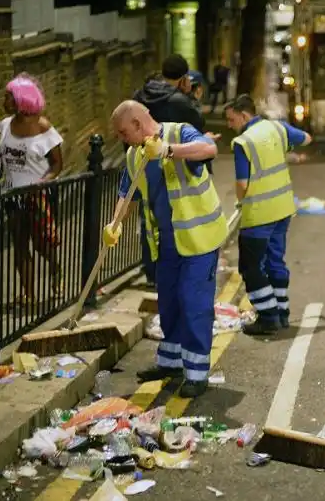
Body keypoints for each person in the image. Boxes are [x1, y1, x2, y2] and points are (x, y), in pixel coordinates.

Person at [105, 100, 227, 398]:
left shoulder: (179, 133)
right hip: (167, 243)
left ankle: (197, 373)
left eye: (123, 133)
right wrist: (114, 223)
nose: (122, 139)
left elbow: (209, 150)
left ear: (137, 123)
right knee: (170, 301)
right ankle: (170, 361)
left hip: (199, 238)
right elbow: (127, 191)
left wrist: (167, 151)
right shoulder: (135, 156)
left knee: (193, 302)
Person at [224, 94, 312, 334]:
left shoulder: (243, 142)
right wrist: (286, 145)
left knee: (251, 267)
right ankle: (282, 312)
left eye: (231, 120)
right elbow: (306, 138)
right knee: (275, 260)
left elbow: (242, 184)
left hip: (259, 214)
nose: (230, 125)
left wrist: (242, 202)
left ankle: (267, 315)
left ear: (244, 115)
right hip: (283, 209)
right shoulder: (276, 128)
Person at [0, 73, 64, 304]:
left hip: (39, 195)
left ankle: (56, 271)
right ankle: (28, 294)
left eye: (9, 97)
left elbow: (57, 163)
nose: (4, 102)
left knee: (43, 244)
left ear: (22, 99)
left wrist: (45, 181)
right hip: (13, 196)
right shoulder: (4, 126)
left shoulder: (42, 127)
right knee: (19, 243)